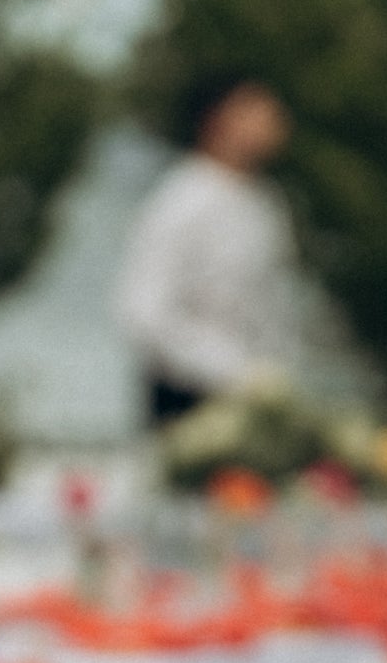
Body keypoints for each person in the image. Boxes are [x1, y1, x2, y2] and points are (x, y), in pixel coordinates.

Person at [116, 76, 302, 426]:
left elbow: (276, 306)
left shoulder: (267, 203)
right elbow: (143, 313)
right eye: (253, 109)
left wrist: (275, 373)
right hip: (188, 397)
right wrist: (230, 371)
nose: (271, 121)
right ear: (216, 119)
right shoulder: (180, 200)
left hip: (262, 399)